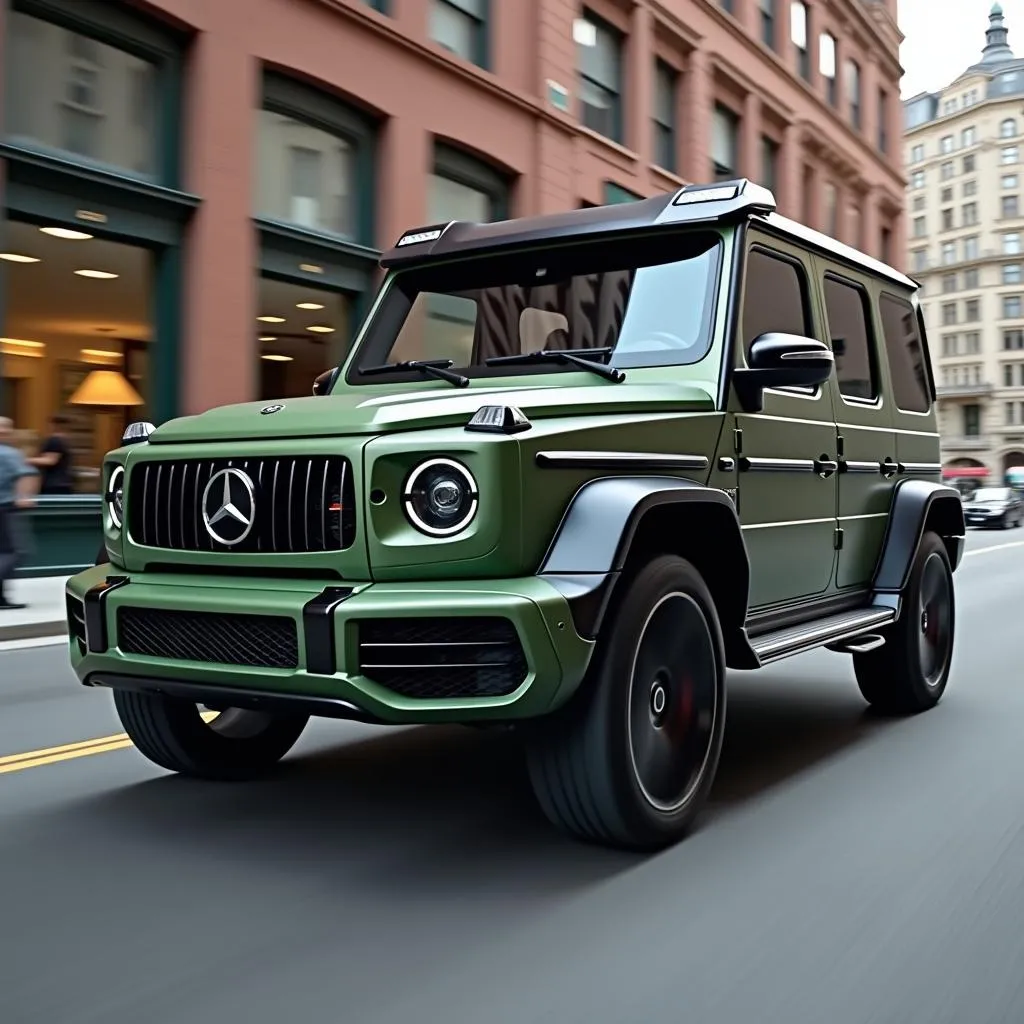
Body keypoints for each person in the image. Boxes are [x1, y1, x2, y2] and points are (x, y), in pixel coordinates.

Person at [0, 416, 39, 611]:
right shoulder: (10, 454)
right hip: (5, 509)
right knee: (14, 552)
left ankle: (1, 598)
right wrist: (24, 497)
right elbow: (27, 474)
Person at [27, 413, 74, 495]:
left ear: (54, 425)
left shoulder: (54, 440)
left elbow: (50, 460)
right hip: (62, 483)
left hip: (53, 484)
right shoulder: (64, 441)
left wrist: (25, 460)